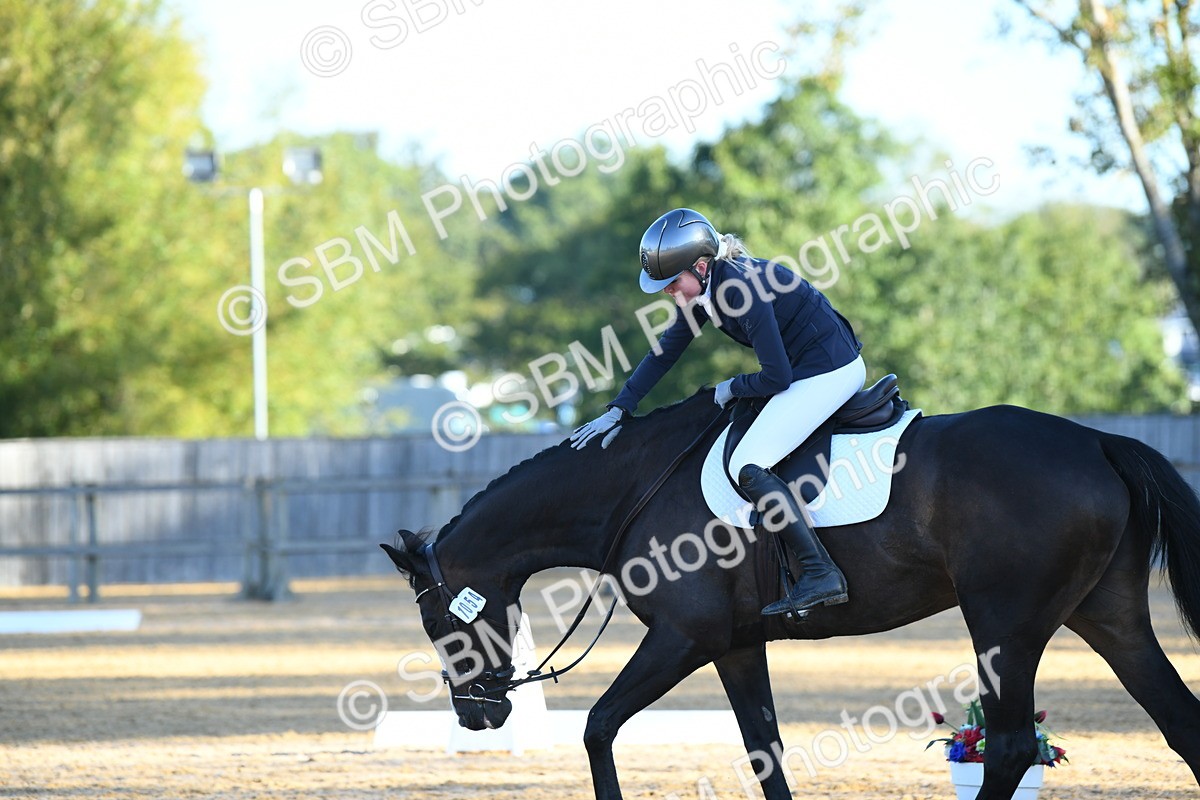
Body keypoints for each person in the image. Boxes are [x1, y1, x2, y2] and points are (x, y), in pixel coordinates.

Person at [569, 208, 866, 615]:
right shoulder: (710, 289)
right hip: (804, 371)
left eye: (673, 283)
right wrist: (620, 407)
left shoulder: (741, 288)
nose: (669, 292)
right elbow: (664, 351)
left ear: (702, 265)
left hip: (829, 372)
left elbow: (775, 379)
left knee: (748, 462)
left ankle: (820, 573)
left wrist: (731, 387)